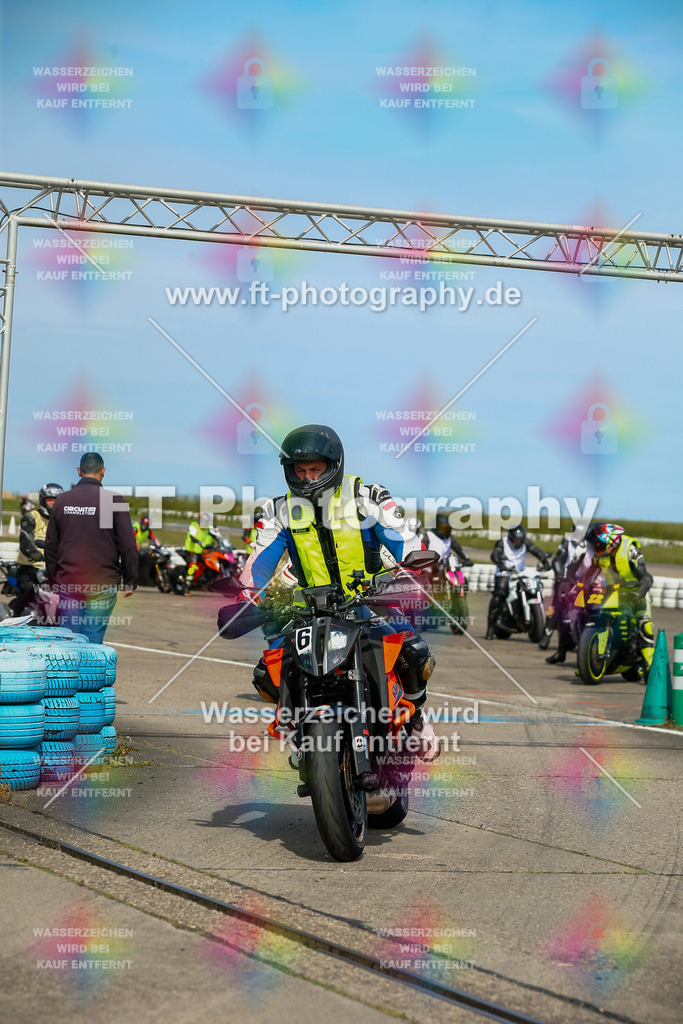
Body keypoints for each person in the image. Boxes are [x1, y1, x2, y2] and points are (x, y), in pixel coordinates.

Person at [236, 423, 438, 759]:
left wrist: (410, 564)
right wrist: (247, 594)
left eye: (316, 469)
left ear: (334, 465)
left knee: (412, 652)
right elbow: (260, 560)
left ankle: (415, 718)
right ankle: (301, 733)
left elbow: (401, 537)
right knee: (268, 671)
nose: (307, 478)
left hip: (370, 600)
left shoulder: (366, 497)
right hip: (311, 609)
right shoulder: (278, 511)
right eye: (299, 471)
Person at [44, 453, 138, 643]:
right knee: (92, 643)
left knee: (69, 640)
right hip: (102, 582)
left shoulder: (62, 501)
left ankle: (70, 673)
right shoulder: (114, 500)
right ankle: (90, 673)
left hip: (69, 581)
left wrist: (54, 580)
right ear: (103, 472)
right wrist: (131, 579)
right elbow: (128, 543)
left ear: (79, 471)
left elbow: (51, 546)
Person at [581, 522, 654, 669]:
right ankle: (586, 661)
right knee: (591, 613)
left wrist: (638, 592)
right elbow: (588, 575)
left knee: (644, 623)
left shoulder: (630, 551)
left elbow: (646, 577)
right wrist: (577, 587)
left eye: (598, 544)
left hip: (636, 591)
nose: (595, 547)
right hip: (613, 591)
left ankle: (649, 666)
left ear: (610, 541)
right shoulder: (599, 556)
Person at [485, 525, 550, 640]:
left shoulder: (526, 543)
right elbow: (495, 554)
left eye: (520, 540)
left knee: (535, 588)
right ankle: (490, 629)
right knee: (498, 597)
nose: (518, 542)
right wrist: (500, 562)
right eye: (516, 540)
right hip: (504, 573)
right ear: (510, 538)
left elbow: (535, 550)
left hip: (520, 573)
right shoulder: (502, 543)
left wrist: (544, 560)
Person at [10, 483, 63, 616]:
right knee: (28, 589)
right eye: (50, 500)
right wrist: (34, 552)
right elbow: (26, 540)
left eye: (57, 500)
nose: (53, 503)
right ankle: (14, 615)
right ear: (42, 500)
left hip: (55, 566)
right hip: (32, 565)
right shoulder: (31, 517)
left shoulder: (64, 520)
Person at [542, 525, 587, 662]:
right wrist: (560, 575)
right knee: (559, 610)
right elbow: (558, 560)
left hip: (585, 583)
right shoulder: (567, 542)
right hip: (566, 581)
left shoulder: (590, 546)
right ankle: (551, 642)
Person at [181, 512, 218, 595]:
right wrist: (198, 541)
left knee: (208, 564)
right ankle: (185, 588)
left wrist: (219, 540)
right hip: (191, 550)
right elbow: (192, 536)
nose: (205, 523)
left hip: (201, 551)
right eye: (204, 521)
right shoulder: (194, 525)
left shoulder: (207, 528)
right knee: (193, 567)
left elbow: (215, 535)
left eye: (206, 521)